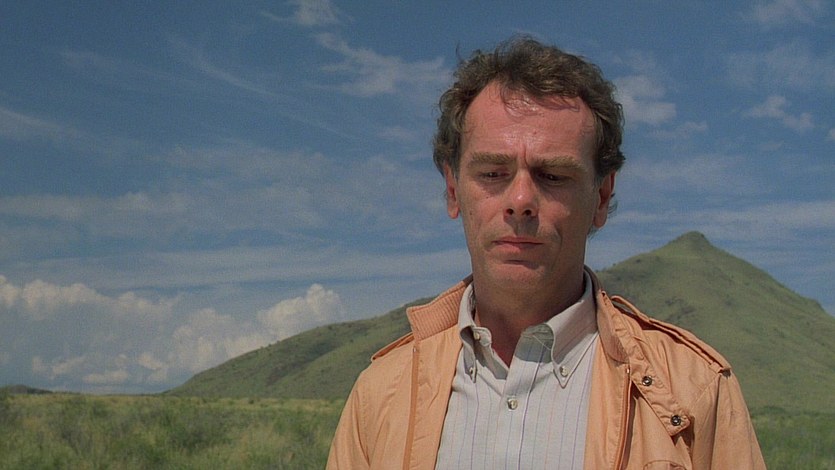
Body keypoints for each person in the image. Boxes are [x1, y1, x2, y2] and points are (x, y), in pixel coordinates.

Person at [327, 36, 765, 469]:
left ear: (601, 197)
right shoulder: (380, 396)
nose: (520, 200)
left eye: (553, 175)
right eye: (493, 173)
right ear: (453, 189)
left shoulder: (695, 391)